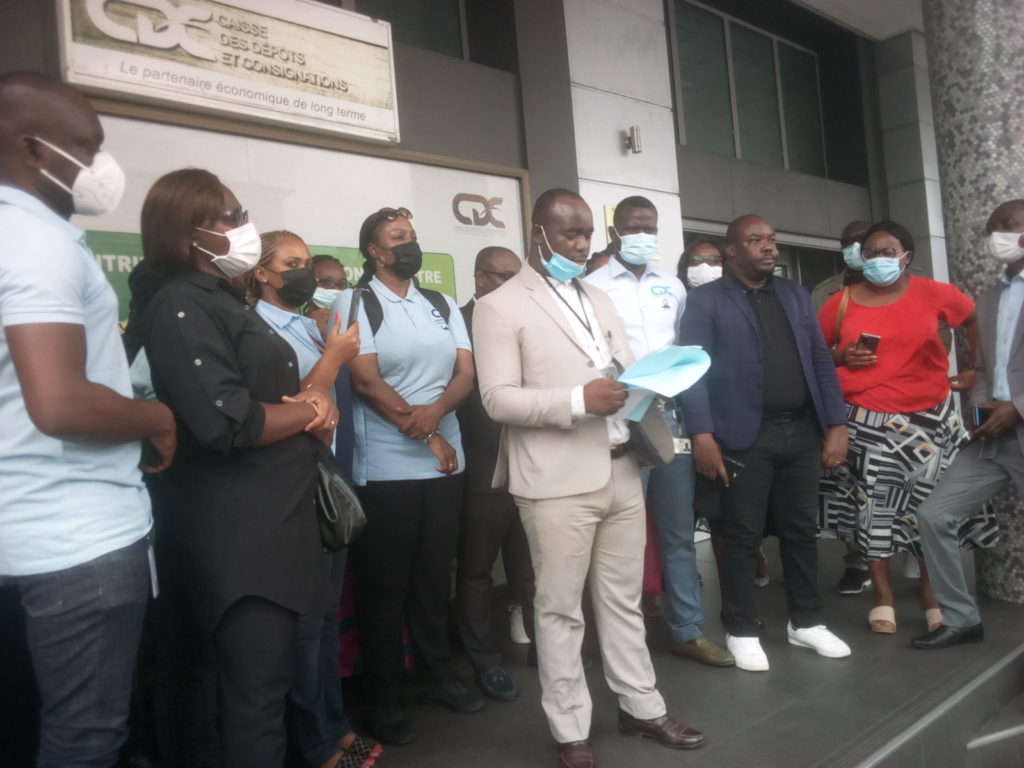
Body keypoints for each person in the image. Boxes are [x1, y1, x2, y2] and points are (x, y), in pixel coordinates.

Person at [474, 188, 705, 768]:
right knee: (558, 609)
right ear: (539, 234)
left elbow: (621, 372)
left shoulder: (598, 297)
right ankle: (570, 728)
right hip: (555, 480)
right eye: (569, 233)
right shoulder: (500, 305)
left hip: (622, 465)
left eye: (586, 234)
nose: (581, 245)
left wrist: (651, 380)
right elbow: (497, 398)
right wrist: (580, 399)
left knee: (623, 601)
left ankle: (641, 707)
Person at [0, 71, 177, 768]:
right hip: (74, 541)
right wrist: (156, 415)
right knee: (87, 738)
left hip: (23, 532)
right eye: (87, 145)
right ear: (31, 149)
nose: (101, 164)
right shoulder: (35, 242)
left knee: (26, 731)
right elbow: (61, 403)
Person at [137, 168, 338, 768]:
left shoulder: (220, 298)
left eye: (242, 213)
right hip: (238, 539)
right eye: (230, 216)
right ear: (190, 231)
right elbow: (225, 421)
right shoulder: (180, 304)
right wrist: (309, 409)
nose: (243, 226)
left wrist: (304, 406)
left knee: (261, 691)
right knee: (254, 699)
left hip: (269, 524)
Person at [329, 206, 481, 746]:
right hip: (388, 469)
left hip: (445, 461)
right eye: (398, 237)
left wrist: (435, 415)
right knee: (384, 587)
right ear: (375, 251)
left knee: (433, 579)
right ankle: (384, 697)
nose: (409, 244)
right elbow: (366, 382)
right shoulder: (354, 302)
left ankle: (438, 677)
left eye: (412, 235)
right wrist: (428, 431)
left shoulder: (439, 303)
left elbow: (465, 372)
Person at [678, 213, 851, 672]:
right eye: (756, 240)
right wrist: (701, 433)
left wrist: (836, 423)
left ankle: (806, 621)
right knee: (741, 535)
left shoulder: (795, 295)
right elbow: (691, 371)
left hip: (802, 431)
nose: (769, 247)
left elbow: (820, 360)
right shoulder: (706, 301)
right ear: (732, 249)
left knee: (801, 531)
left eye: (772, 240)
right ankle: (741, 628)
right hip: (742, 436)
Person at [817, 220, 994, 636]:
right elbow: (815, 350)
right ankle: (883, 597)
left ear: (906, 257)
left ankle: (931, 595)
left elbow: (973, 318)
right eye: (871, 253)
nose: (878, 259)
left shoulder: (934, 293)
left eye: (888, 252)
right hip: (867, 420)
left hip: (930, 420)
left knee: (930, 512)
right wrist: (842, 357)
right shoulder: (840, 301)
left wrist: (976, 368)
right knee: (873, 509)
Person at [248, 231, 380, 768]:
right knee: (304, 622)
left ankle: (334, 723)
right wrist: (332, 356)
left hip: (328, 479)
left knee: (325, 616)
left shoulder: (307, 325)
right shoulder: (256, 331)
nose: (303, 273)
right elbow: (289, 405)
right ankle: (314, 742)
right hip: (290, 487)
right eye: (292, 263)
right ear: (261, 273)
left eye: (306, 262)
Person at [586, 196, 732, 667]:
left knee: (677, 530)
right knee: (622, 536)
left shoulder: (672, 285)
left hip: (670, 418)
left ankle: (687, 630)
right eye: (633, 227)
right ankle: (620, 641)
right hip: (620, 418)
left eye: (649, 227)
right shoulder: (592, 287)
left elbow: (688, 348)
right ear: (615, 231)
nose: (642, 235)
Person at [909, 201, 1024, 649]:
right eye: (992, 227)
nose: (997, 235)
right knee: (934, 515)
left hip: (1016, 418)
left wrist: (1016, 407)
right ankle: (960, 619)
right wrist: (978, 411)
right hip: (993, 438)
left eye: (1006, 226)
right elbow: (985, 366)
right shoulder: (990, 296)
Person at [455, 246, 536, 702]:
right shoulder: (457, 323)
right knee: (477, 572)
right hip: (484, 465)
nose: (511, 284)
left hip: (532, 462)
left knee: (531, 566)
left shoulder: (527, 318)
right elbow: (465, 393)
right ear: (480, 278)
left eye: (516, 276)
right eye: (502, 276)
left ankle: (546, 649)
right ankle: (485, 663)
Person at [808, 221, 875, 596]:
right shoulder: (826, 292)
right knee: (847, 483)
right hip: (843, 401)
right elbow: (814, 347)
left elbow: (938, 336)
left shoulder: (909, 284)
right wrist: (840, 356)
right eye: (847, 242)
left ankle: (916, 554)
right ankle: (856, 561)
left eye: (861, 240)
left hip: (895, 401)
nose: (855, 247)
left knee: (899, 484)